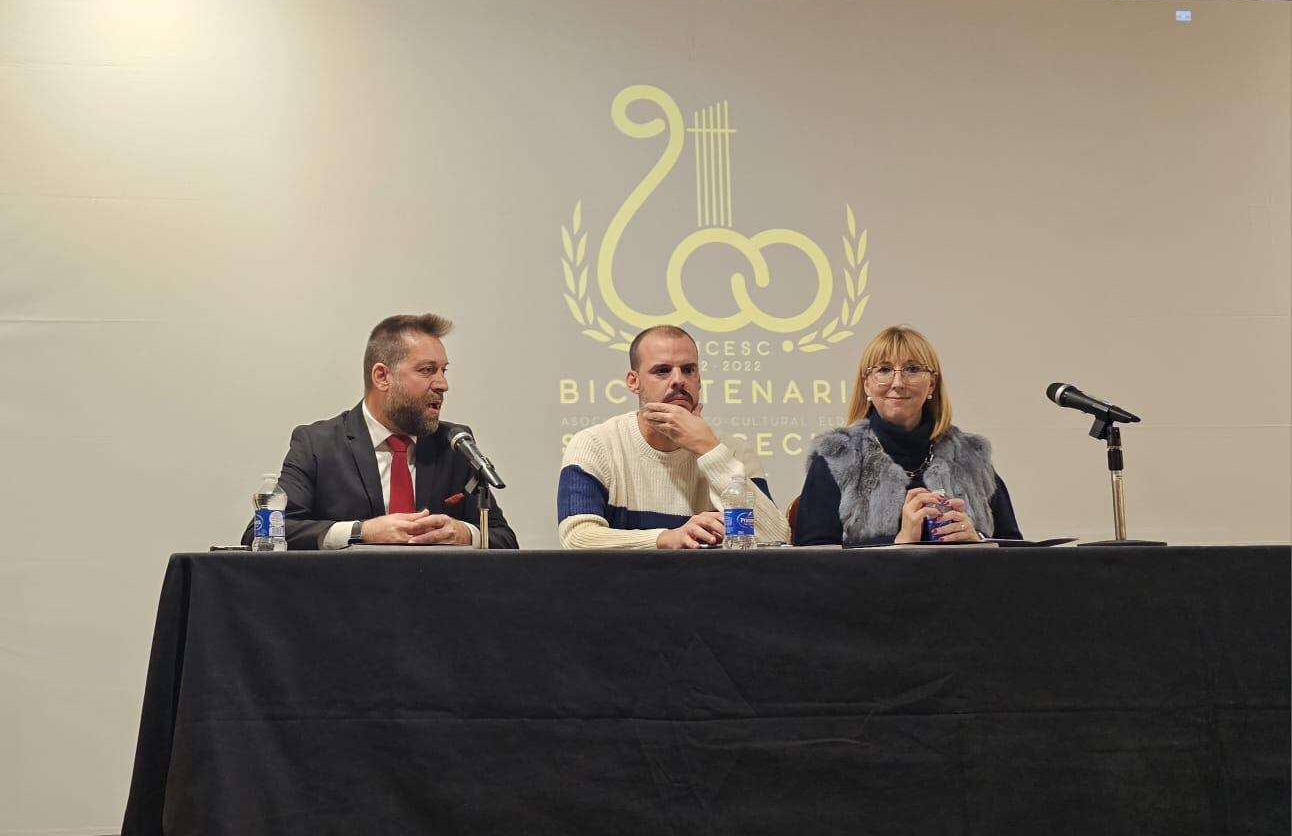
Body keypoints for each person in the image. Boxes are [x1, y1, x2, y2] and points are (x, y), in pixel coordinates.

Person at [242, 314, 518, 550]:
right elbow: (261, 534)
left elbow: (504, 538)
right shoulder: (319, 445)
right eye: (427, 370)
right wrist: (361, 532)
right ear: (382, 376)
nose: (442, 384)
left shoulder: (454, 445)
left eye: (443, 371)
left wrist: (464, 533)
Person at [558, 326, 791, 549]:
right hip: (624, 587)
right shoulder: (596, 444)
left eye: (689, 370)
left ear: (699, 381)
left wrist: (708, 450)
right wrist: (665, 538)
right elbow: (577, 537)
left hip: (710, 587)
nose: (679, 380)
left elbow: (775, 539)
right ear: (634, 382)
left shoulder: (733, 450)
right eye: (662, 371)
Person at [793, 324, 1021, 546]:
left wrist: (977, 540)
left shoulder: (971, 456)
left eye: (912, 369)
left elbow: (1015, 553)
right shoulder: (837, 456)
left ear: (932, 384)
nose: (898, 383)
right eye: (884, 370)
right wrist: (899, 543)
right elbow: (813, 560)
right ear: (866, 385)